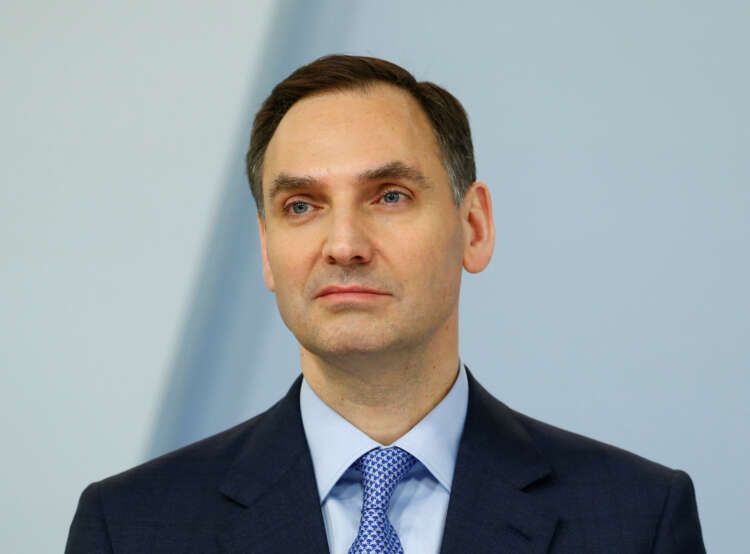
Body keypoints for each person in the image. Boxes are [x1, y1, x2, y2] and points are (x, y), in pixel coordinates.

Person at [65, 55, 705, 553]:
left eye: (390, 196)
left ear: (474, 227)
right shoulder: (130, 527)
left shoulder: (638, 519)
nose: (343, 245)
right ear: (266, 250)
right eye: (301, 206)